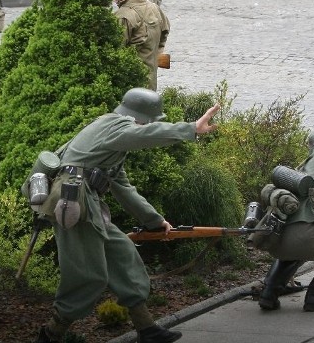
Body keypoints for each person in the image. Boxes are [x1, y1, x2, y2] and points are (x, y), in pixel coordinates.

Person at [33, 88, 220, 343]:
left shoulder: (113, 141)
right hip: (74, 204)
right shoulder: (116, 128)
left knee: (123, 255)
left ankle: (147, 329)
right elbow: (144, 135)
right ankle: (51, 334)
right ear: (144, 118)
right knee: (88, 275)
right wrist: (189, 129)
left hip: (87, 204)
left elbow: (123, 188)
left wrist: (155, 221)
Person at [255, 127, 314, 313]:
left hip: (279, 240)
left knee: (304, 238)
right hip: (305, 238)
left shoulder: (305, 165)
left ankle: (269, 292)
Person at [110, 0, 169, 90]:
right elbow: (164, 32)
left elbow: (114, 53)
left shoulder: (122, 16)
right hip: (150, 83)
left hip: (130, 86)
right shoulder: (154, 8)